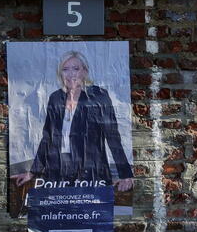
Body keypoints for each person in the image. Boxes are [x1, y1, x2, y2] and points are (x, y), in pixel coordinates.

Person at [11, 51, 133, 192]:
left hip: (91, 171)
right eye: (65, 69)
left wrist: (125, 174)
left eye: (76, 69)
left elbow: (112, 137)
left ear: (85, 72)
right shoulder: (55, 98)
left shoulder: (99, 96)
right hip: (58, 171)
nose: (71, 74)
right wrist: (33, 172)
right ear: (60, 74)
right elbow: (47, 138)